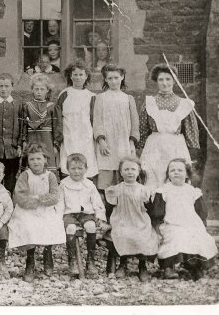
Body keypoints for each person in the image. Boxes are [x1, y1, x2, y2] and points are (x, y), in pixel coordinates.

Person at [151, 159, 217, 280]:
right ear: (168, 174)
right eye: (172, 170)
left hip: (191, 224)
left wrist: (202, 226)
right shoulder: (163, 190)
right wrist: (157, 228)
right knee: (175, 238)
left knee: (199, 238)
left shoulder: (192, 191)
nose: (176, 173)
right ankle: (168, 267)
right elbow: (157, 212)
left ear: (187, 174)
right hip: (171, 224)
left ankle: (193, 267)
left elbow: (201, 212)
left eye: (180, 170)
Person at [8, 143, 64, 282]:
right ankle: (30, 260)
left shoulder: (50, 176)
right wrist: (34, 203)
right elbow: (20, 197)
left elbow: (54, 196)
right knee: (28, 225)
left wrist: (39, 200)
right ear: (28, 161)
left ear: (45, 159)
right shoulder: (24, 176)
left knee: (51, 223)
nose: (35, 162)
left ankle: (47, 253)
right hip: (27, 209)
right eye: (32, 159)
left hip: (46, 208)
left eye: (39, 159)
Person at [138, 64, 199, 189]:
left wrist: (191, 147)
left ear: (174, 81)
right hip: (155, 146)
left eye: (168, 79)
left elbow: (190, 131)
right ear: (156, 81)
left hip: (175, 146)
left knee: (175, 176)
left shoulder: (184, 104)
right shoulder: (149, 103)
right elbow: (143, 129)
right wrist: (140, 146)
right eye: (161, 80)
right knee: (153, 177)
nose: (165, 83)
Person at [93, 64, 139, 216]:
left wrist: (131, 143)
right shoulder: (100, 98)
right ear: (105, 80)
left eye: (116, 78)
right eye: (110, 78)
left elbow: (134, 123)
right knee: (106, 181)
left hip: (123, 143)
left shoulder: (128, 99)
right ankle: (105, 218)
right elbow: (97, 121)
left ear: (122, 77)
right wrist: (101, 141)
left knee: (123, 178)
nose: (113, 81)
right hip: (107, 144)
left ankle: (123, 215)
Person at [104, 156, 158, 282]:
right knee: (122, 234)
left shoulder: (144, 190)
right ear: (121, 172)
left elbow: (149, 209)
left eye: (133, 169)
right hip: (122, 220)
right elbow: (109, 208)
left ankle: (142, 266)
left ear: (138, 171)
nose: (129, 172)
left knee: (143, 235)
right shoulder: (116, 189)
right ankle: (123, 264)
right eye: (126, 169)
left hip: (140, 220)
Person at [58, 153, 106, 276]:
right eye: (73, 168)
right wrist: (58, 219)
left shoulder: (89, 185)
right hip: (70, 214)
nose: (76, 171)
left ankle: (90, 259)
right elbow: (60, 203)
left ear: (86, 169)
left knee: (90, 226)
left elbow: (97, 203)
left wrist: (100, 217)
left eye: (80, 168)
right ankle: (72, 260)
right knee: (71, 228)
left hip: (85, 214)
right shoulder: (63, 184)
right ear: (67, 169)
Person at [57, 60, 98, 179]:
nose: (78, 77)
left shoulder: (91, 96)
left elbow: (93, 119)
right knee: (68, 161)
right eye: (75, 74)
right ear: (70, 76)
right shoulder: (64, 94)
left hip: (85, 136)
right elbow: (58, 117)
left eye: (81, 75)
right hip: (68, 134)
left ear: (86, 76)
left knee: (85, 162)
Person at [22, 73, 62, 173]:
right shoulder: (27, 106)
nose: (39, 92)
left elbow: (57, 127)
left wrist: (56, 145)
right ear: (32, 89)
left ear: (47, 90)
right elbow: (23, 126)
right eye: (36, 89)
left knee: (47, 166)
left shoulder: (52, 106)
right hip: (31, 138)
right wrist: (23, 141)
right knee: (32, 164)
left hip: (47, 139)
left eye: (42, 89)